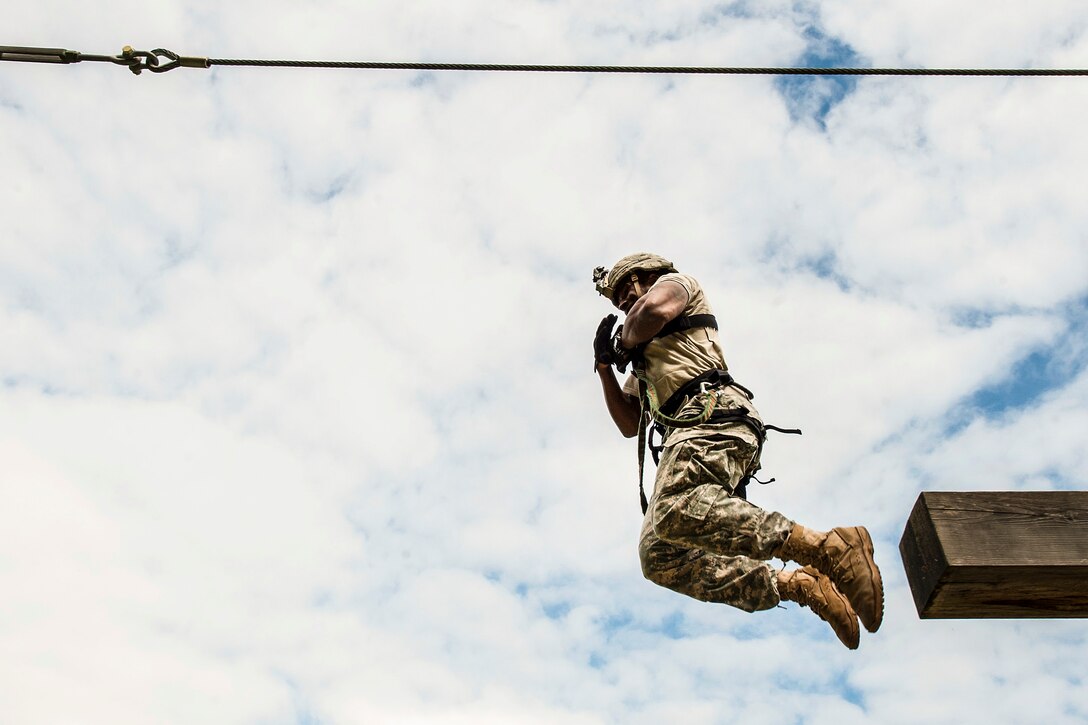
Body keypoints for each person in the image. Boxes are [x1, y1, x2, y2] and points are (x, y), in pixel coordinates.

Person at [592, 253, 883, 649]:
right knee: (658, 553)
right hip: (690, 430)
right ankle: (797, 585)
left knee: (674, 510)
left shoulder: (676, 285)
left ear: (650, 275)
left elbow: (653, 312)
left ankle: (829, 547)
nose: (624, 300)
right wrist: (606, 365)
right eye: (618, 300)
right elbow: (629, 424)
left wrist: (623, 339)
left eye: (629, 286)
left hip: (712, 413)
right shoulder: (644, 356)